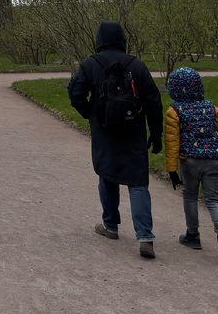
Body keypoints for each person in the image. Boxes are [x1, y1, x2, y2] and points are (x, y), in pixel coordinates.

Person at [68, 21, 163, 258]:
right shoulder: (137, 65)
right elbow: (153, 101)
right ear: (122, 39)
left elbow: (76, 94)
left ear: (99, 40)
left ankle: (110, 225)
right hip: (134, 130)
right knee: (138, 182)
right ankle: (145, 237)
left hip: (104, 130)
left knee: (107, 174)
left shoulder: (90, 64)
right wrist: (156, 133)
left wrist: (90, 114)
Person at [164, 67, 218, 263]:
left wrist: (171, 170)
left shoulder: (174, 111)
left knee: (190, 196)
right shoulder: (213, 108)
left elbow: (172, 142)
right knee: (213, 200)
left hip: (190, 161)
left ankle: (192, 235)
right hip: (214, 159)